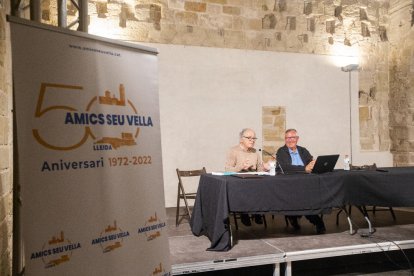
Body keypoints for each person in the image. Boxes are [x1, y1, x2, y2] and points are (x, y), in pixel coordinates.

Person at [276, 128, 326, 234]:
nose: (290, 140)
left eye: (292, 137)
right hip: (290, 183)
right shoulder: (281, 151)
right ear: (285, 139)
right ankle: (316, 221)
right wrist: (304, 169)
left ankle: (294, 216)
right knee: (303, 197)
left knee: (313, 194)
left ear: (297, 139)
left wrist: (313, 163)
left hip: (306, 181)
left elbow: (310, 162)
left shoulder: (303, 150)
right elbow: (285, 167)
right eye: (287, 138)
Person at [225, 128, 269, 226]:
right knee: (246, 189)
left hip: (254, 182)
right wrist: (240, 167)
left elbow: (259, 169)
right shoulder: (234, 151)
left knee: (265, 186)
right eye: (249, 138)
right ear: (241, 139)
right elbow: (227, 169)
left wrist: (265, 168)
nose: (252, 140)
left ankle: (257, 212)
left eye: (254, 138)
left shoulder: (254, 152)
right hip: (239, 182)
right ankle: (244, 213)